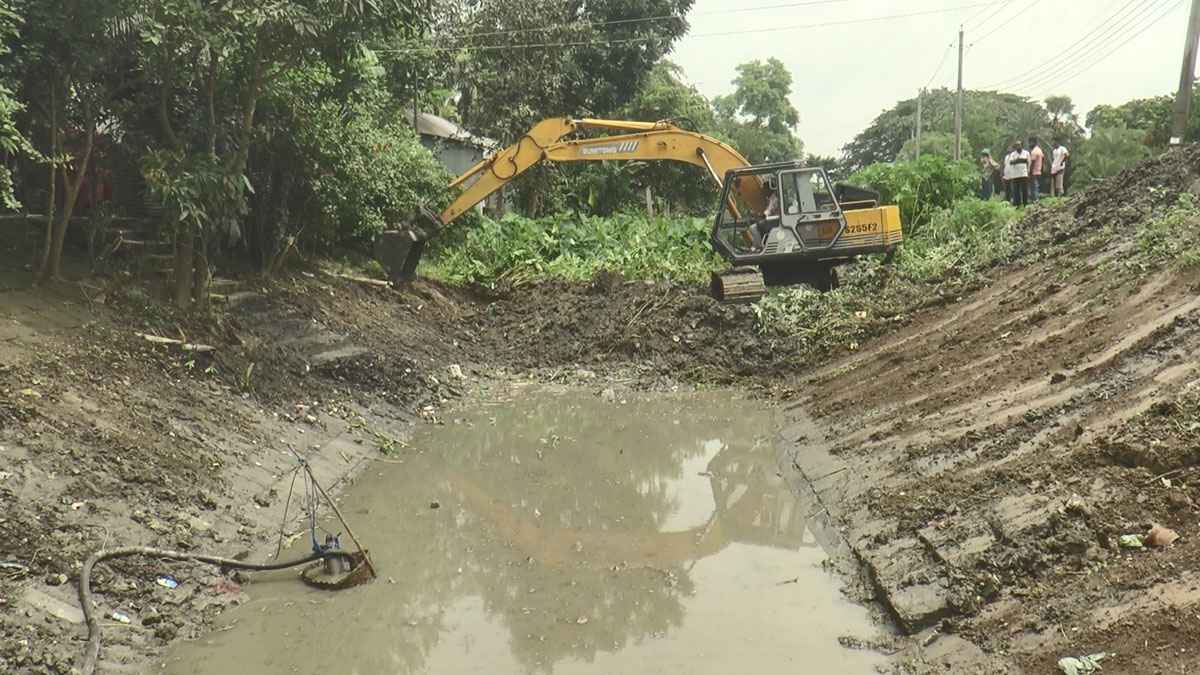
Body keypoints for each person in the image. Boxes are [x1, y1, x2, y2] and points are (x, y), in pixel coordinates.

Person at [1004, 141, 1030, 207]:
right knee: (1016, 191)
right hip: (1015, 175)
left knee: (1024, 190)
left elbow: (1028, 162)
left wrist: (1019, 161)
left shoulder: (1026, 153)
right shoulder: (1013, 154)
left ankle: (1025, 204)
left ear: (1022, 145)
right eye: (1016, 145)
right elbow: (1011, 162)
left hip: (1024, 173)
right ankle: (1017, 205)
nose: (1018, 146)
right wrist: (1020, 160)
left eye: (1019, 145)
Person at [1028, 136, 1044, 201]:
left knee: (1034, 187)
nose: (1029, 144)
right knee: (1036, 186)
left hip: (1034, 171)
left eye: (1030, 142)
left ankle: (1035, 200)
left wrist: (1030, 171)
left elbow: (1033, 162)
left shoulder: (1034, 151)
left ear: (1034, 142)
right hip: (1038, 170)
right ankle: (1036, 199)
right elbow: (1043, 159)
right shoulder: (1039, 150)